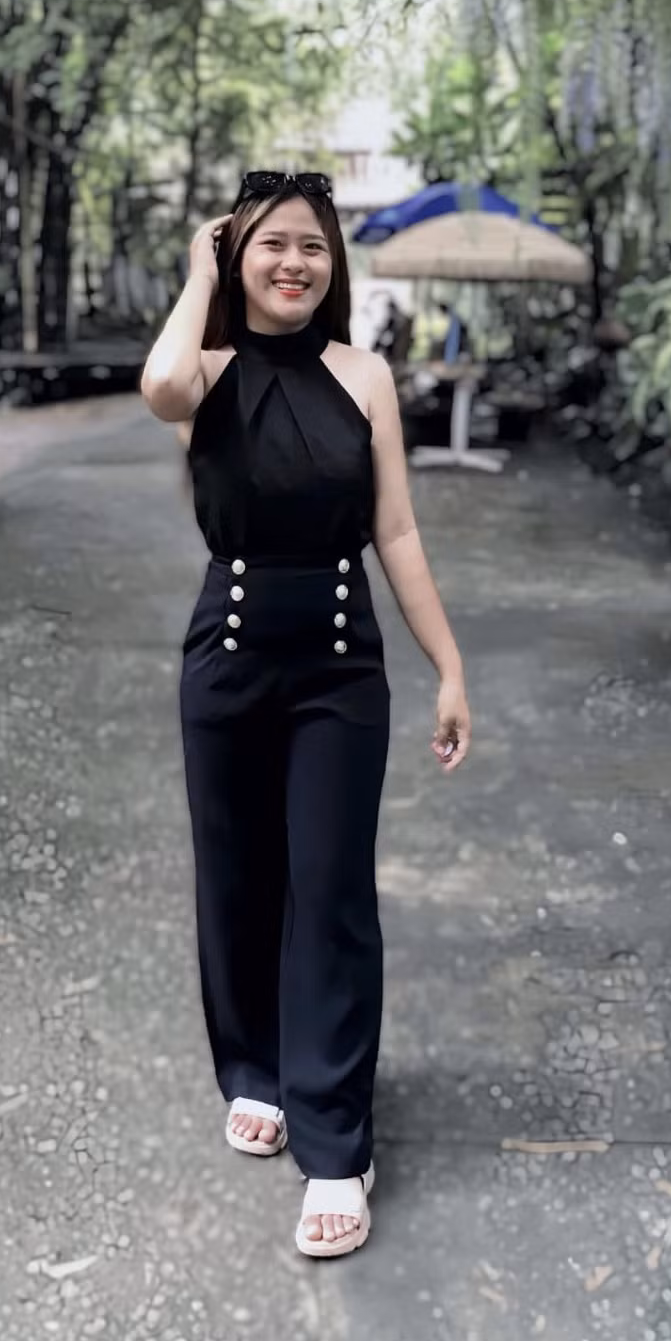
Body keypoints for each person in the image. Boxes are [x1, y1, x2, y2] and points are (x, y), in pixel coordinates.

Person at [140, 170, 472, 1260]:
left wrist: (448, 665)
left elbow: (397, 532)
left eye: (313, 246)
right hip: (227, 659)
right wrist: (198, 271)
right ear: (237, 257)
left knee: (328, 891)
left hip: (339, 667)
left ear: (336, 266)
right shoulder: (207, 371)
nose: (294, 262)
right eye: (271, 244)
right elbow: (160, 384)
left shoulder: (364, 375)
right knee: (237, 877)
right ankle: (256, 1068)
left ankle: (335, 1143)